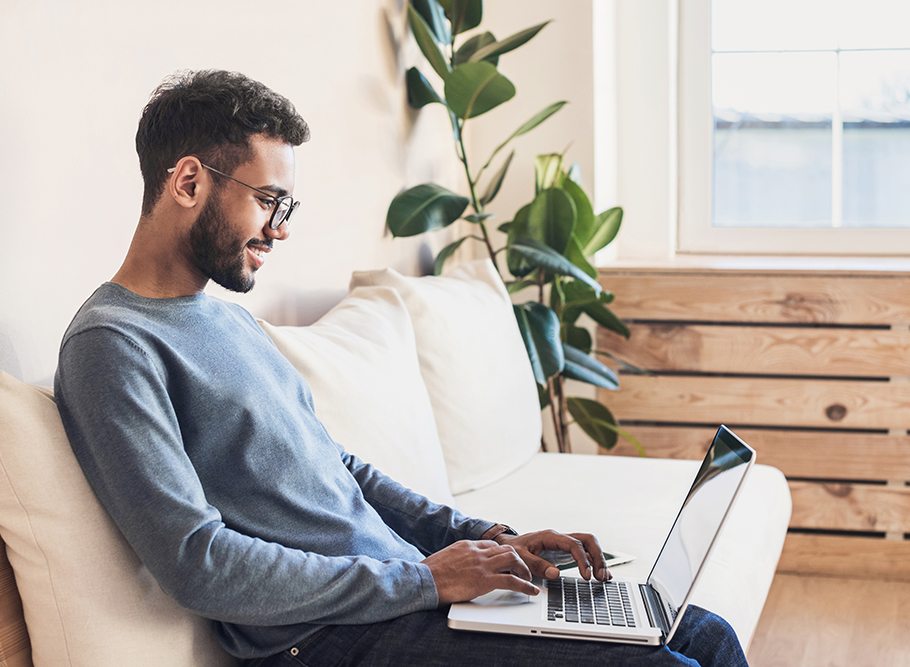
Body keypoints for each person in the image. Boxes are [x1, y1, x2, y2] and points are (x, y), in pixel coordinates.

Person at [54, 70, 749, 667]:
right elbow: (197, 559)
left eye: (285, 205)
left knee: (704, 632)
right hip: (327, 638)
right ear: (187, 182)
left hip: (403, 596)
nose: (282, 227)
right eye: (269, 200)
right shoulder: (111, 346)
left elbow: (339, 468)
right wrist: (424, 579)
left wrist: (481, 539)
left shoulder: (229, 318)